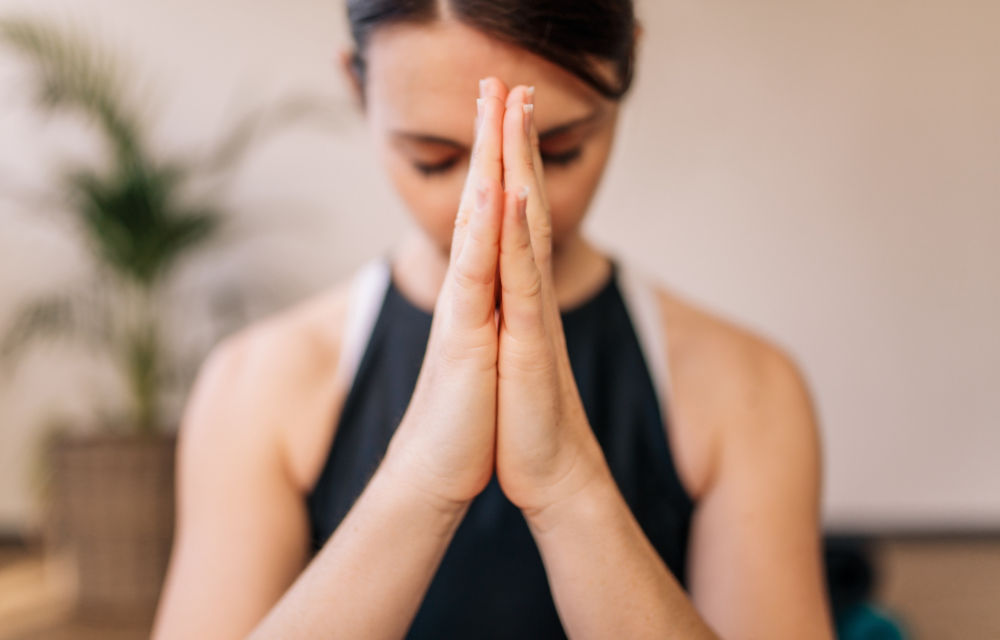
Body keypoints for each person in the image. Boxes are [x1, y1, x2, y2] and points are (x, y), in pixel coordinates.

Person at [151, 1, 835, 638]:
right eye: (436, 160)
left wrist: (569, 486)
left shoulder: (748, 390)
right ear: (358, 86)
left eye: (560, 151)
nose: (504, 198)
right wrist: (421, 482)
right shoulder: (256, 386)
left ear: (628, 60)